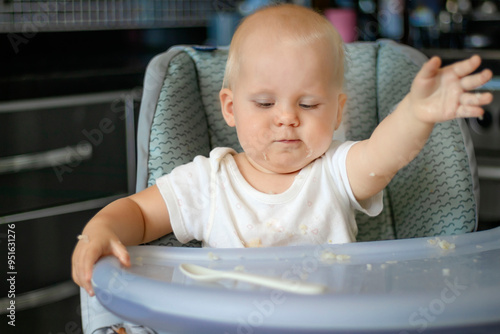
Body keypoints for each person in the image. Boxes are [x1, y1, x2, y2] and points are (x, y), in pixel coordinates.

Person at [72, 4, 493, 301]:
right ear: (231, 109)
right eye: (265, 103)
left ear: (337, 113)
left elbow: (386, 152)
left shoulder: (335, 173)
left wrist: (417, 113)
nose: (287, 117)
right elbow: (140, 214)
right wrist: (101, 232)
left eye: (308, 105)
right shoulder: (208, 182)